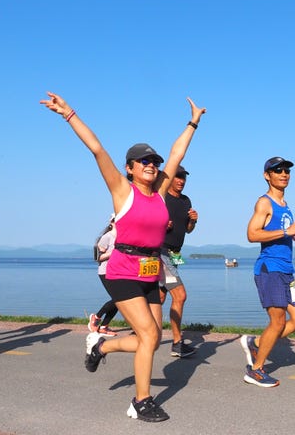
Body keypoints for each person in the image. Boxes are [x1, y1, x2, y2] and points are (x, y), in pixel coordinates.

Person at [40, 91, 206, 423]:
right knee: (147, 335)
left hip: (150, 268)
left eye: (154, 162)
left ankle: (99, 346)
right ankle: (140, 401)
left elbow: (177, 152)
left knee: (153, 338)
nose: (151, 165)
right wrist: (68, 113)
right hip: (122, 270)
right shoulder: (121, 190)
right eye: (143, 161)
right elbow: (97, 148)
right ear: (129, 168)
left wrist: (193, 123)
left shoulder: (160, 194)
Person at [241, 156, 295, 388]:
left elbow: (283, 230)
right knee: (278, 321)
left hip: (286, 271)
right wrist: (286, 232)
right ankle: (256, 369)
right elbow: (252, 234)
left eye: (287, 171)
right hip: (269, 269)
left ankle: (257, 343)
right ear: (266, 175)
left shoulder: (285, 205)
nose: (284, 174)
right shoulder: (265, 203)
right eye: (278, 170)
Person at [159, 165, 198, 358]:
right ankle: (176, 343)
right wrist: (161, 225)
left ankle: (144, 330)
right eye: (177, 177)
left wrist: (193, 221)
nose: (181, 180)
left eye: (183, 177)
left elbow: (188, 229)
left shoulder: (185, 201)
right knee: (180, 296)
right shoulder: (161, 197)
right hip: (159, 252)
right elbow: (147, 222)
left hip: (174, 255)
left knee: (159, 297)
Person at [88, 217, 119, 337]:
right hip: (105, 271)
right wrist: (113, 253)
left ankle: (104, 326)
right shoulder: (107, 237)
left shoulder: (123, 237)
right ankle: (96, 318)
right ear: (112, 222)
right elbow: (97, 257)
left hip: (119, 271)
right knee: (118, 299)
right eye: (116, 220)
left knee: (120, 301)